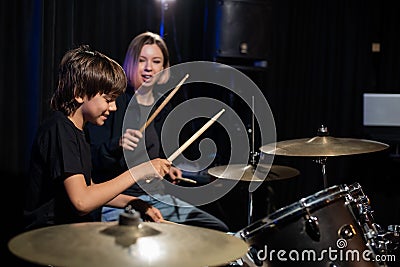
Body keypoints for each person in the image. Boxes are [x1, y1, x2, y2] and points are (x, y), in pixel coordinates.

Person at [85, 31, 229, 232]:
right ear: (130, 63)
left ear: (164, 68)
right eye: (141, 60)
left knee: (214, 230)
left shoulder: (163, 107)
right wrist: (116, 144)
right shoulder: (112, 104)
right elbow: (90, 160)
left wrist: (168, 169)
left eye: (156, 61)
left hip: (156, 198)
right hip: (119, 200)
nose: (148, 68)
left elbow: (156, 159)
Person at [23, 44, 171, 231]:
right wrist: (140, 171)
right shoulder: (59, 129)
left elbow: (90, 187)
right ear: (78, 94)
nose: (114, 108)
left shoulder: (79, 131)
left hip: (71, 234)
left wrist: (133, 202)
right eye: (108, 100)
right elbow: (82, 201)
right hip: (50, 238)